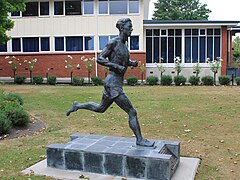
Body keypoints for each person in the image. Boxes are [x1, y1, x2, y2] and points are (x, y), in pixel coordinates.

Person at [66, 18, 154, 147]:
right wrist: (116, 67)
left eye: (131, 27)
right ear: (122, 28)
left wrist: (131, 63)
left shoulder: (124, 45)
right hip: (113, 84)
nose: (131, 29)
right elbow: (100, 58)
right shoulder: (113, 42)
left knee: (100, 108)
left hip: (113, 83)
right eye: (129, 27)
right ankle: (139, 140)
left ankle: (77, 106)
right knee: (132, 111)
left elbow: (121, 60)